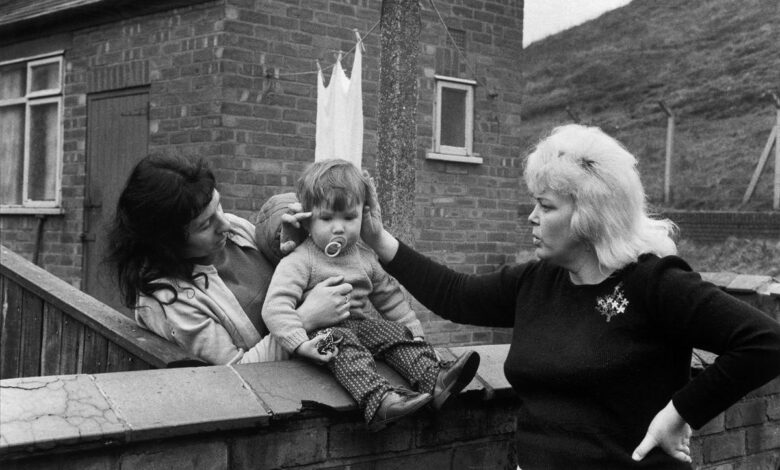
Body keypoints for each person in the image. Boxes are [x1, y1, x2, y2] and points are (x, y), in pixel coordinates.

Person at [358, 124, 780, 468]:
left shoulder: (654, 283)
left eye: (546, 206)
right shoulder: (537, 281)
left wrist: (679, 413)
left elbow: (765, 342)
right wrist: (377, 239)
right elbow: (456, 295)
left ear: (589, 215)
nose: (532, 217)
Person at [261, 159, 481, 431]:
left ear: (362, 216)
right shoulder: (300, 259)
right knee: (343, 343)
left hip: (359, 326)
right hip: (319, 335)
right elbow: (275, 306)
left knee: (392, 333)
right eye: (327, 218)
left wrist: (415, 333)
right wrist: (300, 343)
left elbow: (390, 298)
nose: (339, 227)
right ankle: (380, 402)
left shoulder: (364, 258)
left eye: (349, 218)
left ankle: (433, 380)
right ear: (307, 221)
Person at [107, 154, 354, 365]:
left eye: (218, 206)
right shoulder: (168, 302)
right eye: (205, 225)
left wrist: (293, 241)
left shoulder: (235, 232)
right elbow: (236, 374)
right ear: (167, 242)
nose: (225, 223)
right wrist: (304, 318)